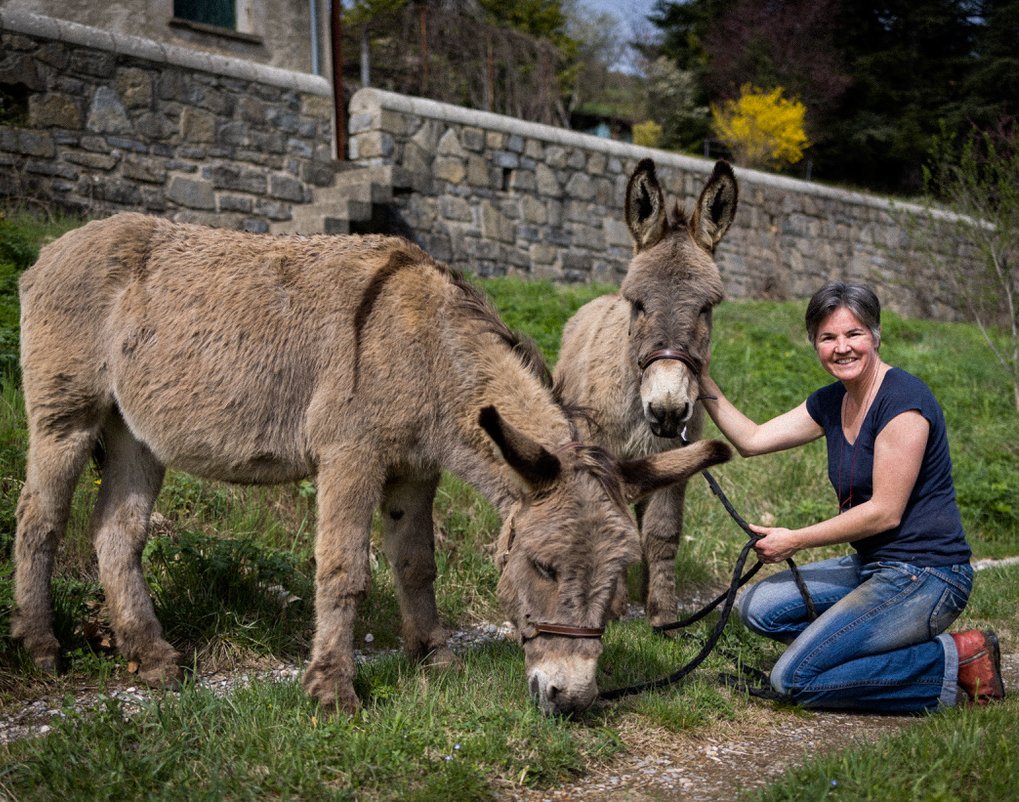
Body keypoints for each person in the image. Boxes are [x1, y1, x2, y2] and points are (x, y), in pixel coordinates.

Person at [698, 280, 1005, 712]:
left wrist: (795, 538)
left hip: (928, 576)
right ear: (815, 344)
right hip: (872, 567)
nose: (842, 347)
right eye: (828, 338)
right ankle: (855, 652)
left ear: (875, 336)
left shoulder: (903, 403)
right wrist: (701, 377)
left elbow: (884, 513)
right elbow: (752, 438)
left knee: (793, 680)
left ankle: (954, 659)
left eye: (853, 334)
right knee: (758, 607)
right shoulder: (832, 401)